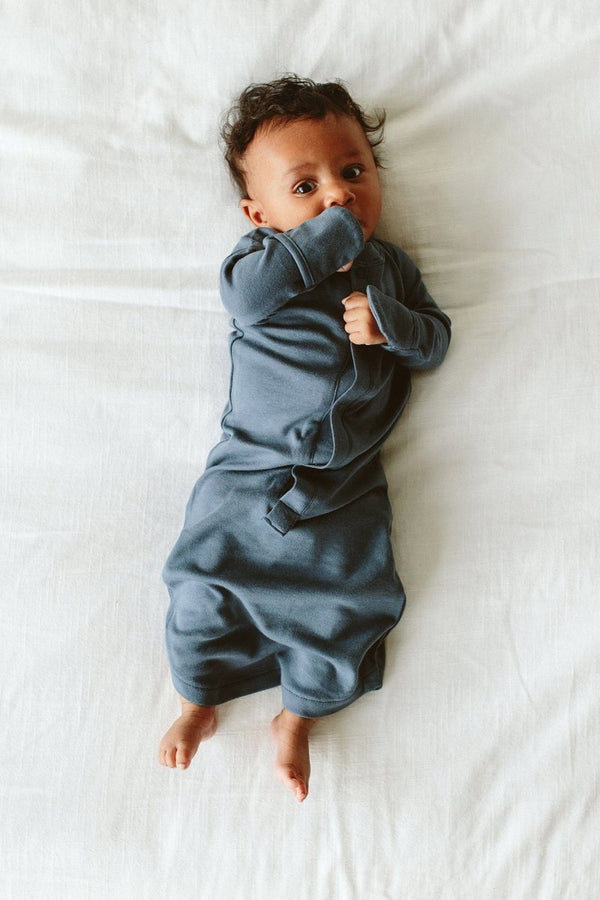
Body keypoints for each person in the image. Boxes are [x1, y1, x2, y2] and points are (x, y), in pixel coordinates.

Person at [158, 75, 451, 802]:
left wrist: (392, 325)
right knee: (200, 596)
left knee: (346, 615)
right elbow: (245, 300)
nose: (339, 195)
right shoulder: (260, 264)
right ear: (260, 213)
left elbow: (435, 341)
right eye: (305, 186)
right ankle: (197, 699)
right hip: (250, 477)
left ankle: (296, 719)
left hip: (343, 491)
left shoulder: (392, 270)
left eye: (354, 171)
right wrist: (324, 239)